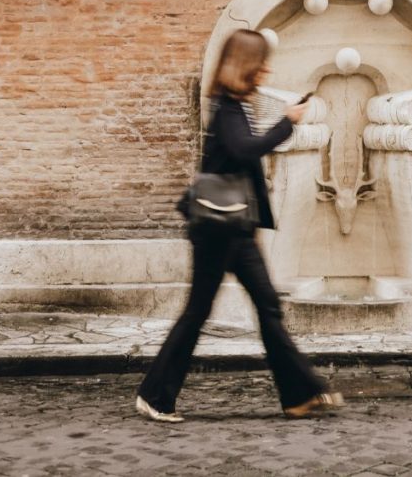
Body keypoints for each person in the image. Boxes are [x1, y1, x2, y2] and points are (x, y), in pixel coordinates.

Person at [136, 29, 344, 422]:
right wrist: (287, 124)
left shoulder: (235, 107)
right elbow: (243, 150)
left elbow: (240, 162)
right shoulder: (226, 108)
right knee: (198, 312)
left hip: (236, 229)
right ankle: (156, 396)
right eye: (261, 61)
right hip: (216, 231)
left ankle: (299, 396)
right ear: (246, 65)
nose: (267, 68)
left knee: (268, 305)